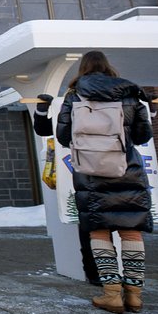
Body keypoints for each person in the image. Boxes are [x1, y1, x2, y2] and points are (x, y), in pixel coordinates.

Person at [49, 50, 154, 314]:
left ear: (82, 69)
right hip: (126, 168)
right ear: (109, 68)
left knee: (99, 230)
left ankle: (111, 293)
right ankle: (135, 294)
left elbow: (63, 136)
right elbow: (142, 135)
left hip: (90, 170)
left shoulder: (74, 97)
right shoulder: (131, 95)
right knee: (131, 230)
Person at [32, 99, 100, 286]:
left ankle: (108, 280)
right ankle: (111, 279)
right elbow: (50, 130)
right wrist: (41, 111)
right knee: (97, 226)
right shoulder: (75, 101)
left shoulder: (75, 101)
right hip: (107, 170)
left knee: (100, 226)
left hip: (98, 171)